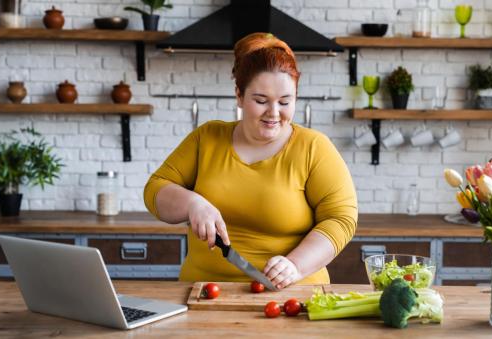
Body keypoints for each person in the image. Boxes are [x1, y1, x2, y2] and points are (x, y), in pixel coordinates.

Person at [143, 33, 357, 289]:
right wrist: (192, 203)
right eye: (261, 101)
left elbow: (341, 219)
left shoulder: (314, 148)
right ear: (239, 95)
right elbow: (155, 189)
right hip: (202, 292)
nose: (274, 113)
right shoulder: (207, 138)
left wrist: (295, 265)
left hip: (292, 295)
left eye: (285, 102)